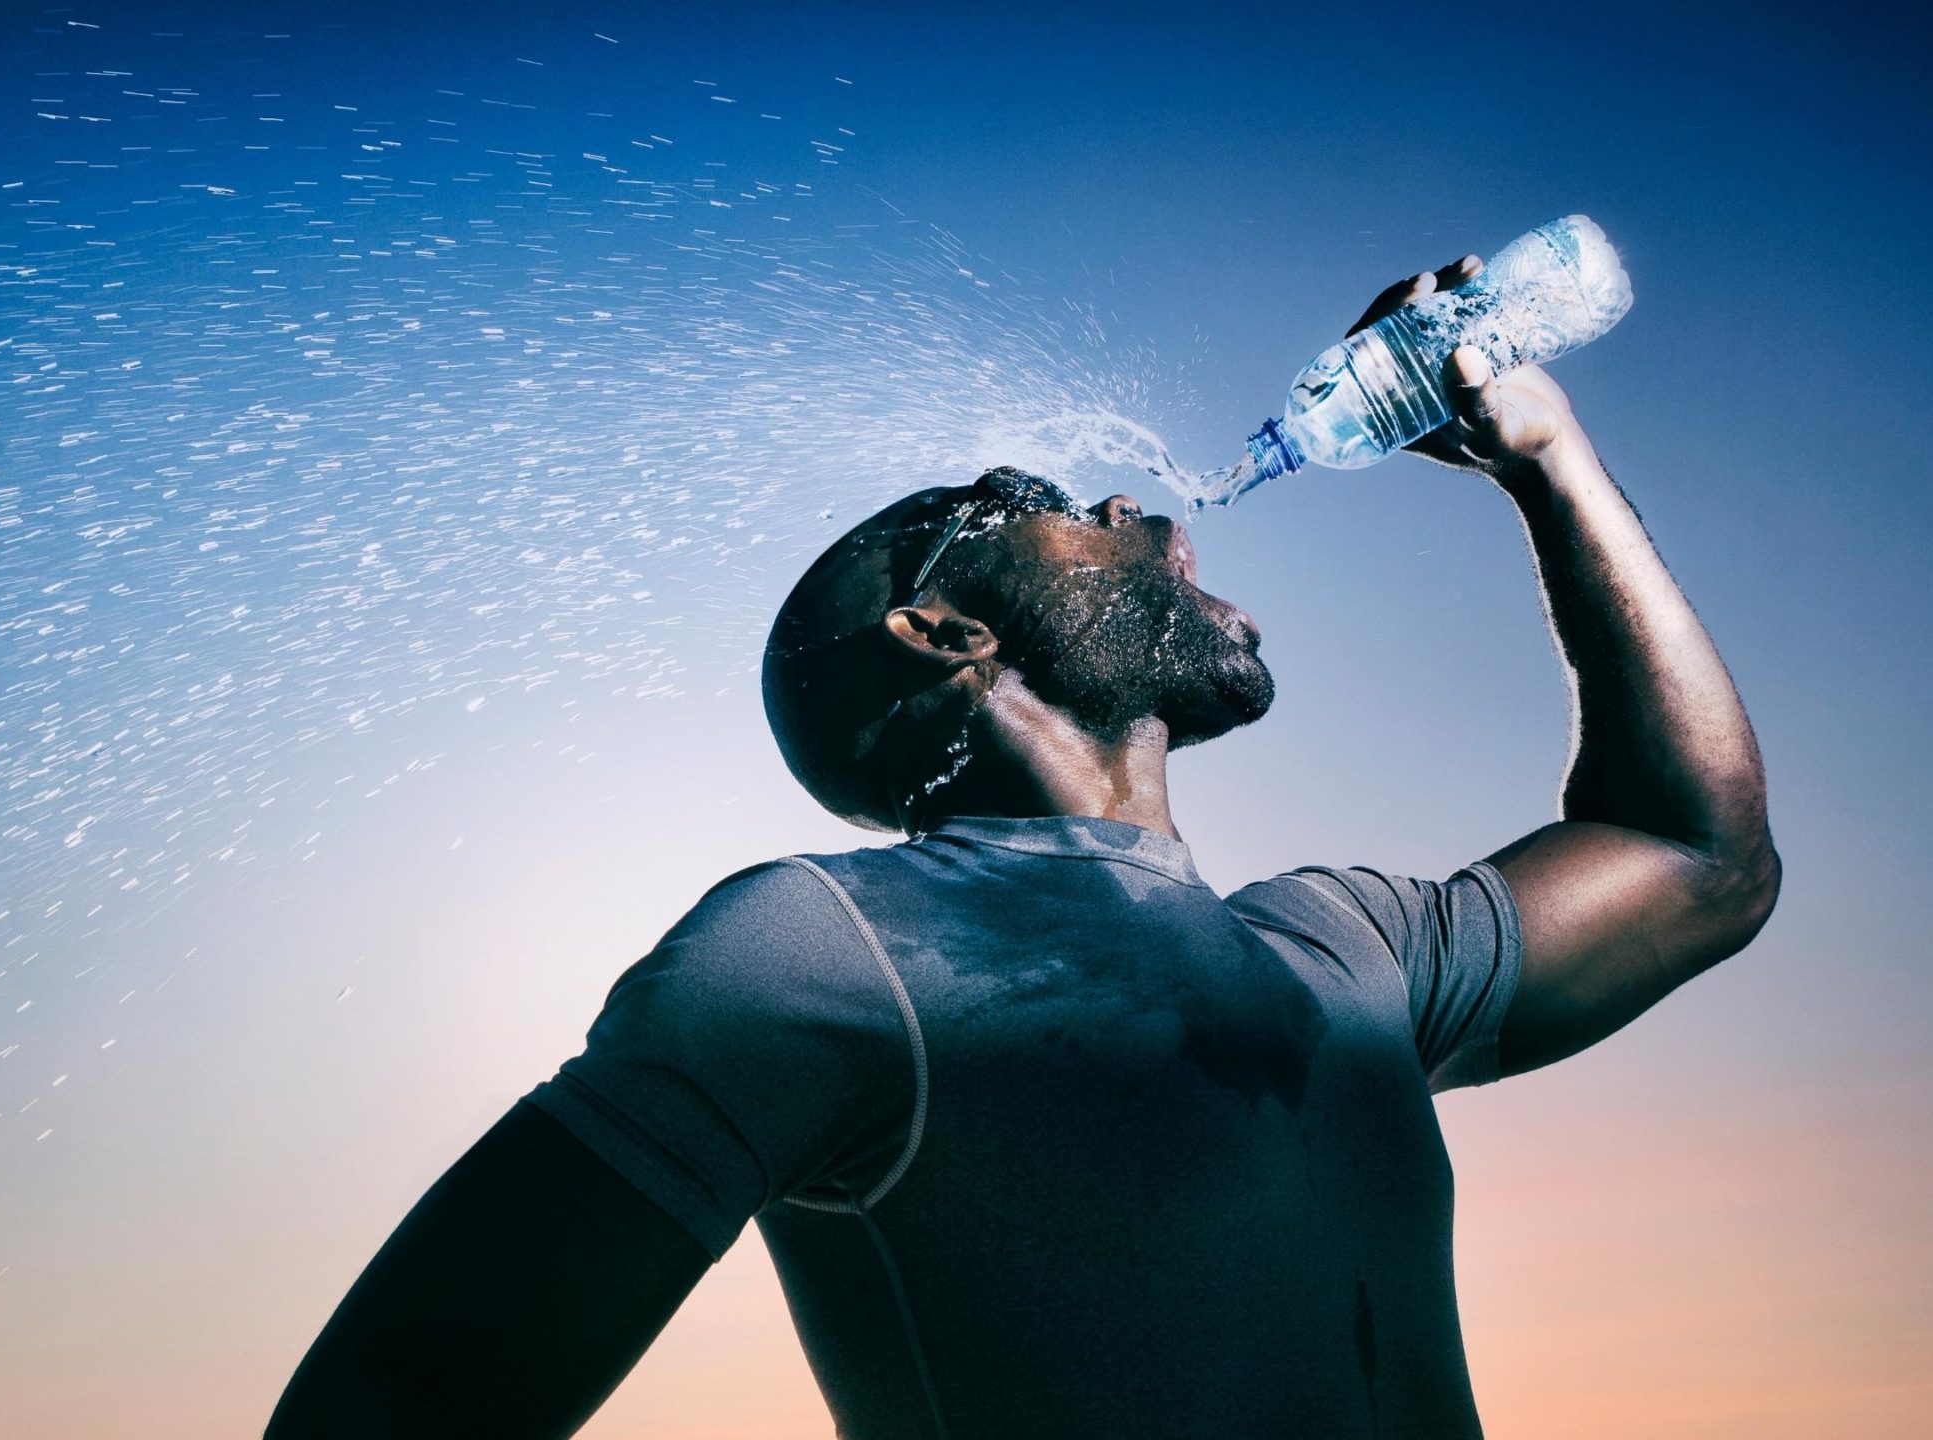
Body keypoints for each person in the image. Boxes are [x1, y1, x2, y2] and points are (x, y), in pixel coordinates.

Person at [266, 253, 1781, 1438]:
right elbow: (398, 1408)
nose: (1128, 500)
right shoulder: (818, 957)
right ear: (943, 630)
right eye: (1039, 507)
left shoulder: (1344, 947)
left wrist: (1545, 460)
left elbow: (1700, 859)